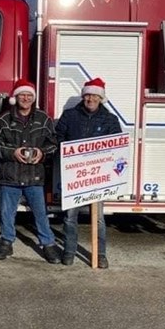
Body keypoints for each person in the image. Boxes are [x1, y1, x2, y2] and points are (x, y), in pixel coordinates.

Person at [0, 79, 61, 264]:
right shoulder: (4, 120)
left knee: (40, 213)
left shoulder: (43, 119)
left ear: (33, 98)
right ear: (15, 97)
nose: (26, 98)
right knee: (6, 212)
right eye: (22, 95)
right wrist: (12, 153)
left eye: (29, 95)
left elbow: (54, 144)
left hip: (34, 176)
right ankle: (6, 242)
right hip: (10, 174)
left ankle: (48, 244)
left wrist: (41, 153)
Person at [55, 77, 122, 268]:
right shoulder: (69, 116)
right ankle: (69, 251)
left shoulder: (110, 119)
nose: (90, 99)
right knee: (69, 217)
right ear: (83, 96)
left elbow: (117, 146)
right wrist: (66, 153)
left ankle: (100, 255)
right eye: (87, 95)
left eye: (94, 96)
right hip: (74, 176)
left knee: (99, 218)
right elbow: (58, 136)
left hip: (98, 178)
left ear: (100, 98)